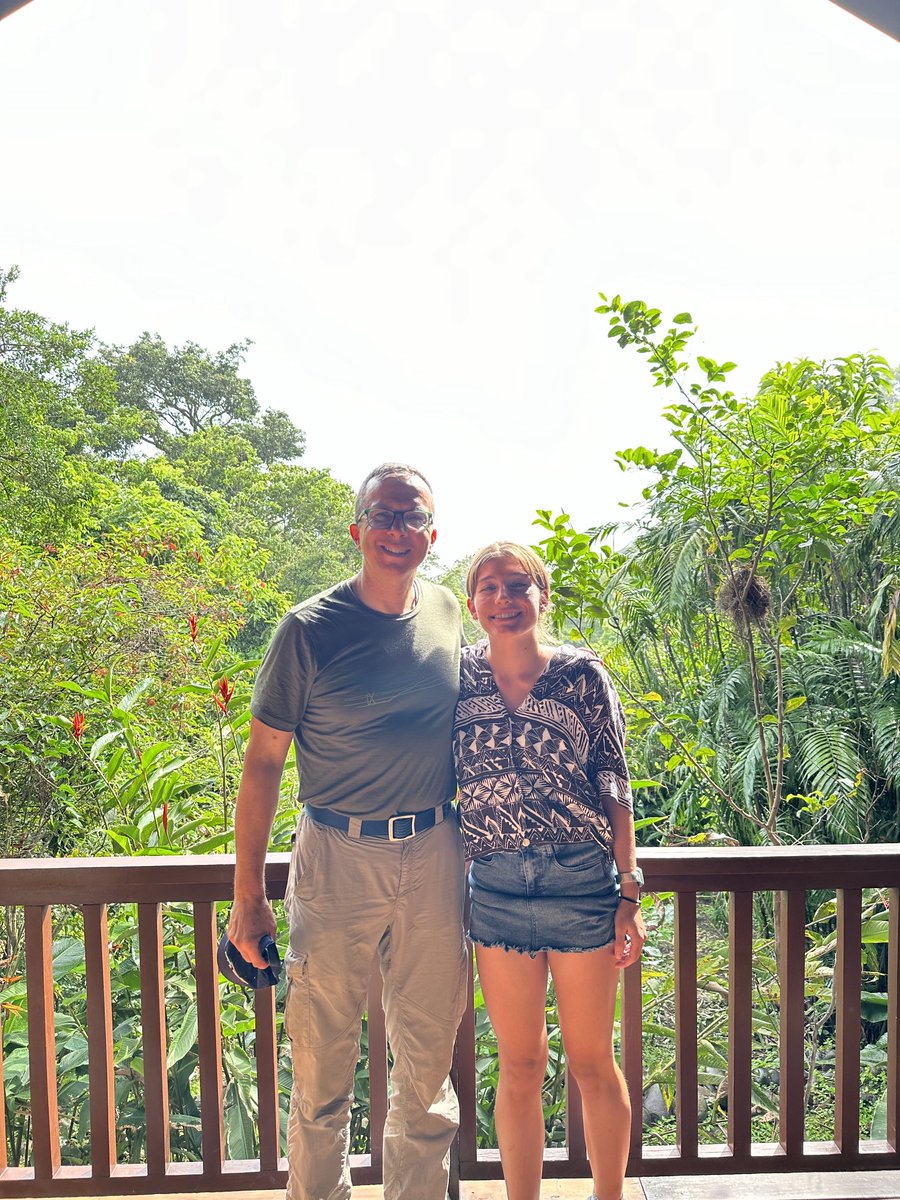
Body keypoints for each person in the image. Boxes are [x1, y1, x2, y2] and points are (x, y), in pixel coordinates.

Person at [227, 463, 468, 1200]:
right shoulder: (309, 628)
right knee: (322, 1071)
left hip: (433, 853)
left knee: (426, 1075)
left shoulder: (449, 610)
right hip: (335, 854)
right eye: (383, 516)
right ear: (357, 528)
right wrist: (248, 901)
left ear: (433, 531)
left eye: (412, 516)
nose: (398, 530)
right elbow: (263, 764)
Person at [453, 541, 646, 1200]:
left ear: (543, 595)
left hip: (579, 882)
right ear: (473, 603)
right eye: (488, 587)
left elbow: (614, 782)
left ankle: (610, 1196)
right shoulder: (458, 678)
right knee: (521, 1064)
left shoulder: (581, 676)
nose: (503, 600)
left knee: (592, 1062)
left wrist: (630, 887)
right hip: (498, 886)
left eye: (517, 585)